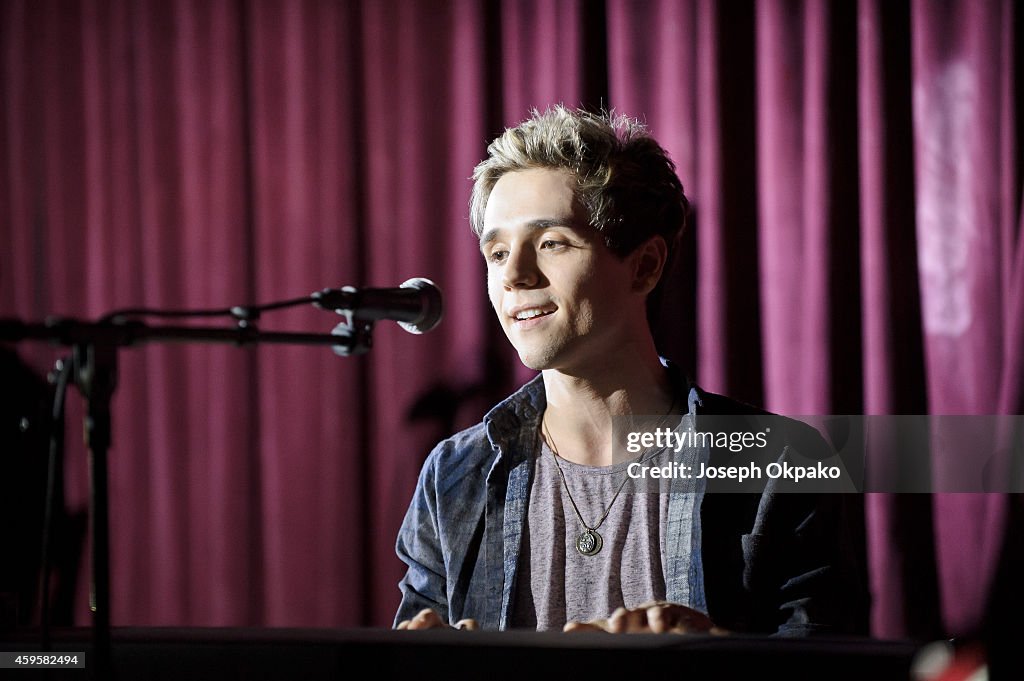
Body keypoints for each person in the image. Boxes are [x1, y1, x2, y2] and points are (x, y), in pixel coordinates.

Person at [394, 105, 866, 635]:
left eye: (551, 243)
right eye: (498, 253)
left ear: (644, 266)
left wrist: (715, 658)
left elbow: (831, 669)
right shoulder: (455, 475)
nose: (516, 276)